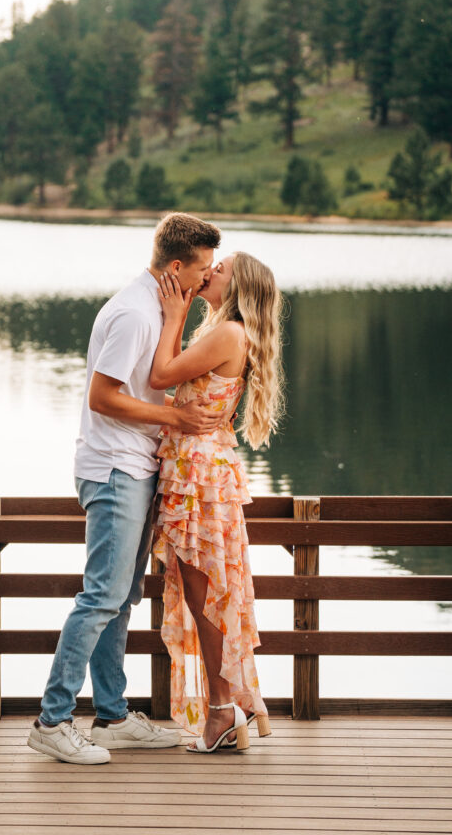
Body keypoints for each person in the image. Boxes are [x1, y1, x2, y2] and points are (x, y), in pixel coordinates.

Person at [27, 212, 226, 765]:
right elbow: (103, 397)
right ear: (178, 265)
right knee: (100, 598)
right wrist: (174, 418)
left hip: (132, 467)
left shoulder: (156, 309)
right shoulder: (137, 314)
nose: (207, 279)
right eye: (203, 269)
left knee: (120, 601)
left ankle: (112, 716)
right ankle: (52, 719)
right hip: (115, 468)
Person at [150, 251, 286, 753]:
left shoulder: (228, 334)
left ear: (237, 288)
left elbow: (161, 376)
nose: (210, 272)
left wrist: (173, 317)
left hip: (199, 475)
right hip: (199, 469)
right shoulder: (225, 332)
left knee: (205, 595)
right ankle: (231, 708)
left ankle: (223, 712)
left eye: (220, 269)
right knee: (203, 592)